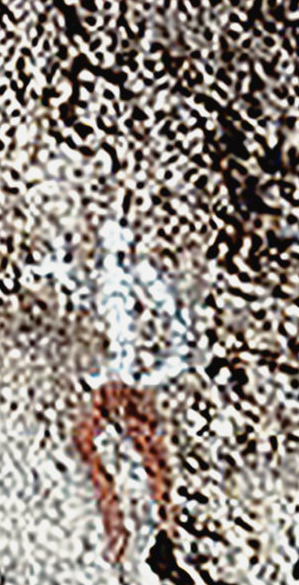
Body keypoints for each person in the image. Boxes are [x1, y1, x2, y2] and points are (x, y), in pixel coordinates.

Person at [31, 215, 189, 565]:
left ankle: (168, 520)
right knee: (88, 442)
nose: (110, 251)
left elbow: (174, 323)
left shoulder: (142, 276)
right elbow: (81, 300)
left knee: (148, 450)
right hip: (108, 380)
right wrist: (56, 270)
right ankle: (117, 524)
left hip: (130, 381)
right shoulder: (100, 278)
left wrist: (157, 371)